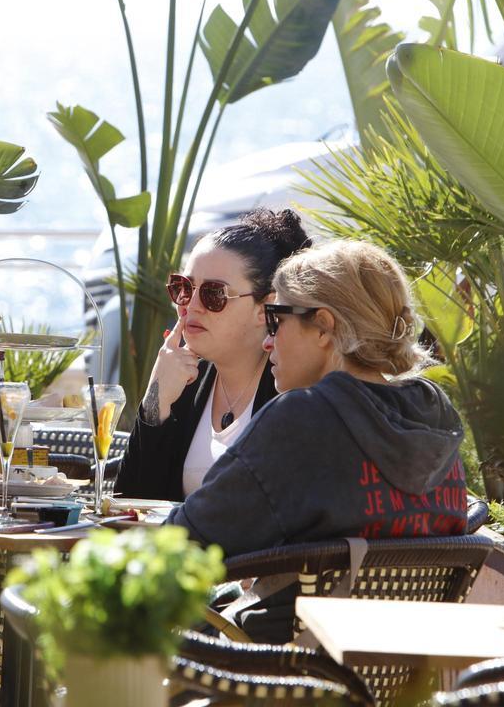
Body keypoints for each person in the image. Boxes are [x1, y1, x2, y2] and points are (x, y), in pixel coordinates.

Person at [166, 240, 469, 641]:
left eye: (276, 320)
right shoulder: (435, 414)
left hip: (272, 667)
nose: (267, 341)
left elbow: (185, 539)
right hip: (398, 668)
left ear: (324, 327)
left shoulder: (305, 419)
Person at [114, 209, 311, 501]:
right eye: (184, 288)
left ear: (265, 308)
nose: (191, 306)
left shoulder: (289, 389)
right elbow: (129, 500)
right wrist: (156, 399)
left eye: (213, 294)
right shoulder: (184, 379)